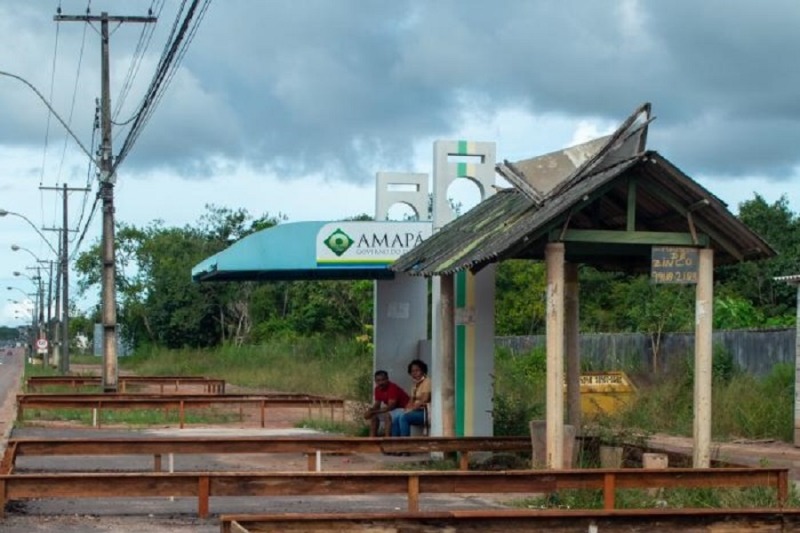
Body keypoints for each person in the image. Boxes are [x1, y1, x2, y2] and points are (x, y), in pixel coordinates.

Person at [363, 370, 409, 437]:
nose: (381, 382)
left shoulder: (392, 387)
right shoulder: (377, 389)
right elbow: (377, 405)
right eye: (378, 380)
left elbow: (391, 406)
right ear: (375, 381)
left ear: (387, 379)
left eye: (383, 380)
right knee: (374, 417)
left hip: (404, 409)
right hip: (393, 410)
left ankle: (387, 440)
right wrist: (370, 411)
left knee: (387, 415)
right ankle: (371, 441)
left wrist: (373, 411)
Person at [399, 359, 431, 437]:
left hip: (425, 412)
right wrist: (406, 409)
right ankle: (394, 444)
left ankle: (405, 445)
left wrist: (411, 409)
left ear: (423, 371)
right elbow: (411, 400)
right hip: (417, 411)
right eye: (412, 371)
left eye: (417, 370)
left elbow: (425, 399)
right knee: (398, 416)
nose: (415, 373)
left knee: (404, 417)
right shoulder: (415, 384)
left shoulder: (427, 381)